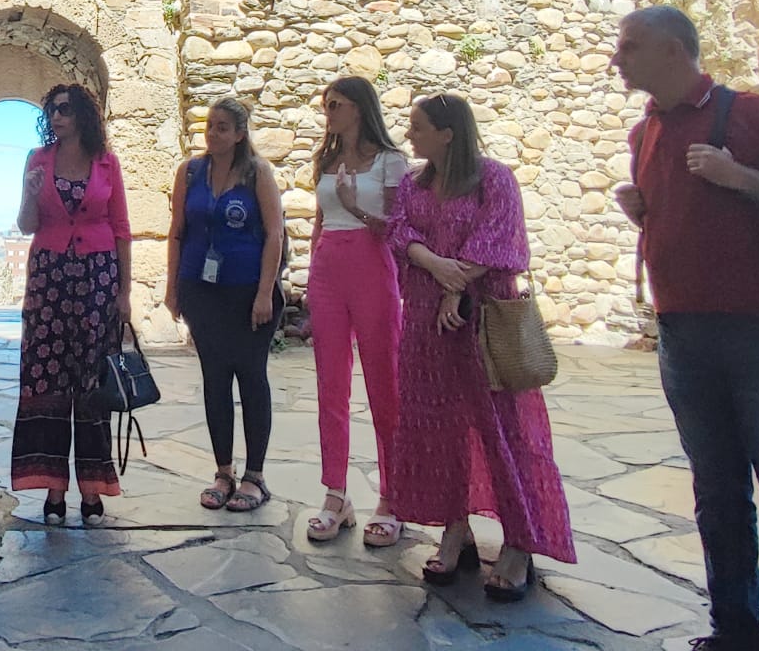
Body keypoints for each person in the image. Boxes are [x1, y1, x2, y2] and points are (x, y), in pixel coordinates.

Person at [611, 5, 759, 651]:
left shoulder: (756, 115)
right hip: (683, 335)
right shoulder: (642, 134)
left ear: (674, 52)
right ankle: (735, 632)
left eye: (631, 46)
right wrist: (641, 212)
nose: (618, 57)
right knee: (717, 493)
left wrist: (739, 177)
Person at [387, 92, 574, 600]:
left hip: (484, 319)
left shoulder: (494, 178)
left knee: (505, 430)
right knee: (437, 425)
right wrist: (434, 267)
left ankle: (520, 542)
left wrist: (457, 284)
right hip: (427, 323)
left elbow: (501, 238)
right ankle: (455, 529)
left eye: (418, 126)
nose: (410, 134)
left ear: (448, 133)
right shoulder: (412, 182)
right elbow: (400, 231)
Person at [11, 83, 132, 525]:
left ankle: (93, 488)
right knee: (47, 380)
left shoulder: (107, 163)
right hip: (48, 280)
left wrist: (124, 293)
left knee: (91, 383)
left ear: (82, 114)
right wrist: (29, 192)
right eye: (52, 110)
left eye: (64, 109)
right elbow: (25, 225)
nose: (57, 117)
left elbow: (121, 228)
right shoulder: (37, 160)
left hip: (97, 280)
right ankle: (54, 488)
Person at [163, 97, 286, 514]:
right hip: (202, 290)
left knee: (251, 378)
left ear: (239, 134)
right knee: (215, 380)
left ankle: (255, 476)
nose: (211, 133)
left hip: (248, 291)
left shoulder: (257, 174)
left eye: (221, 127)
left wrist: (266, 292)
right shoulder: (191, 172)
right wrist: (173, 287)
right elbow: (177, 231)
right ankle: (223, 471)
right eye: (209, 125)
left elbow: (274, 234)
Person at [303, 77, 410, 545]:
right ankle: (336, 493)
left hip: (372, 266)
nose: (329, 111)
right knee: (331, 383)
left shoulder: (391, 161)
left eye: (337, 104)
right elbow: (320, 220)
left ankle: (392, 495)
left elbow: (399, 228)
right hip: (329, 268)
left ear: (360, 108)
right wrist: (311, 273)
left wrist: (356, 207)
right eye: (327, 103)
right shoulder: (325, 158)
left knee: (384, 382)